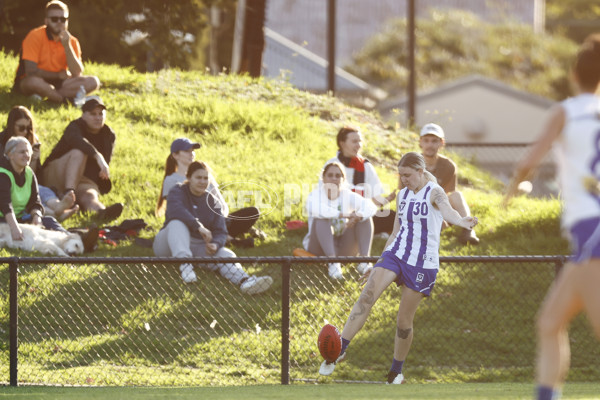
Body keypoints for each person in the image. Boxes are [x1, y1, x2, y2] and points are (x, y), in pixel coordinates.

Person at [319, 152, 478, 383]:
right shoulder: (402, 196)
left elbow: (448, 211)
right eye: (401, 175)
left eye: (408, 175)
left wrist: (462, 221)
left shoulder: (434, 191)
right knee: (367, 296)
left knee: (403, 321)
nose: (403, 179)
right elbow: (395, 232)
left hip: (423, 263)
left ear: (420, 172)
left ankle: (396, 371)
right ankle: (340, 349)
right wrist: (378, 262)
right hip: (396, 254)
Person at [503, 34, 600, 400]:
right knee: (549, 323)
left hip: (593, 228)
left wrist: (512, 189)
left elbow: (529, 161)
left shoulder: (566, 110)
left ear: (574, 74)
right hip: (589, 235)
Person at [153, 161, 273, 294]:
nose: (202, 181)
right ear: (188, 178)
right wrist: (199, 226)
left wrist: (215, 244)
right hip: (168, 244)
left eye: (206, 178)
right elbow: (176, 210)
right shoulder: (178, 190)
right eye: (198, 177)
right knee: (177, 223)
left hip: (196, 246)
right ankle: (186, 265)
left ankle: (245, 281)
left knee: (226, 254)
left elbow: (221, 231)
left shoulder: (212, 202)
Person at [156, 137, 265, 245]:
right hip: (190, 224)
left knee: (252, 212)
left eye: (192, 151)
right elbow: (177, 208)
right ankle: (232, 241)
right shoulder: (171, 180)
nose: (191, 154)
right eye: (187, 151)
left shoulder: (204, 174)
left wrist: (219, 219)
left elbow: (220, 203)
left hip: (214, 220)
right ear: (175, 155)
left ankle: (223, 235)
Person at [0, 137, 97, 253]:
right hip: (5, 221)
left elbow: (35, 202)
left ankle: (75, 241)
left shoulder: (29, 173)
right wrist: (14, 227)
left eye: (28, 151)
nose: (26, 155)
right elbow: (5, 205)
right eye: (22, 152)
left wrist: (37, 216)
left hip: (20, 218)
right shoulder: (3, 174)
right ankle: (77, 243)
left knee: (48, 221)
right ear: (10, 155)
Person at [40, 96, 123, 222]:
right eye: (93, 114)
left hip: (83, 179)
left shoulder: (108, 134)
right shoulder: (74, 127)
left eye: (101, 114)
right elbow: (78, 141)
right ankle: (69, 195)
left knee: (90, 196)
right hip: (56, 174)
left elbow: (104, 164)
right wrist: (97, 156)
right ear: (83, 115)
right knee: (79, 152)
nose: (98, 117)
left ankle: (101, 212)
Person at [12, 0, 100, 104]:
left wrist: (67, 46)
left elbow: (76, 73)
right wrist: (57, 75)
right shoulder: (34, 36)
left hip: (60, 83)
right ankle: (65, 101)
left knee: (93, 82)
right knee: (34, 82)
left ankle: (47, 97)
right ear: (46, 21)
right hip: (32, 80)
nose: (59, 22)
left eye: (63, 19)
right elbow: (31, 72)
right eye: (54, 19)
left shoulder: (72, 41)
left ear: (67, 21)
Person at [1, 105, 79, 222]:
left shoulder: (31, 141)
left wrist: (33, 160)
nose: (26, 132)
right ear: (12, 126)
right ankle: (56, 214)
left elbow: (30, 176)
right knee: (25, 200)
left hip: (26, 185)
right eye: (21, 128)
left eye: (29, 128)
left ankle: (58, 206)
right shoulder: (3, 143)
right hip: (7, 185)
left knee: (41, 190)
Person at [303, 161, 378, 279]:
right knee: (321, 219)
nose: (334, 179)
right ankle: (333, 263)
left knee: (365, 218)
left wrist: (359, 215)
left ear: (343, 179)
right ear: (323, 178)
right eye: (330, 175)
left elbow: (371, 206)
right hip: (318, 248)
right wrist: (345, 215)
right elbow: (318, 210)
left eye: (338, 176)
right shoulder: (315, 195)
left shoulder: (347, 195)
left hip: (343, 247)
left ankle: (364, 261)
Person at [326, 126, 397, 236]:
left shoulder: (366, 166)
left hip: (361, 215)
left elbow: (373, 201)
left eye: (360, 141)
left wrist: (388, 199)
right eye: (354, 141)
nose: (358, 145)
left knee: (392, 216)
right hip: (338, 214)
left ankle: (366, 231)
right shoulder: (331, 165)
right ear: (342, 143)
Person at [419, 123, 480, 245]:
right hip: (418, 208)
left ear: (442, 143)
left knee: (456, 195)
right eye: (426, 141)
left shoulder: (448, 166)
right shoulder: (412, 163)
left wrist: (440, 212)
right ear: (420, 142)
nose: (430, 145)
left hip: (439, 204)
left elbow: (446, 194)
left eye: (434, 141)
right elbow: (407, 195)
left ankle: (468, 230)